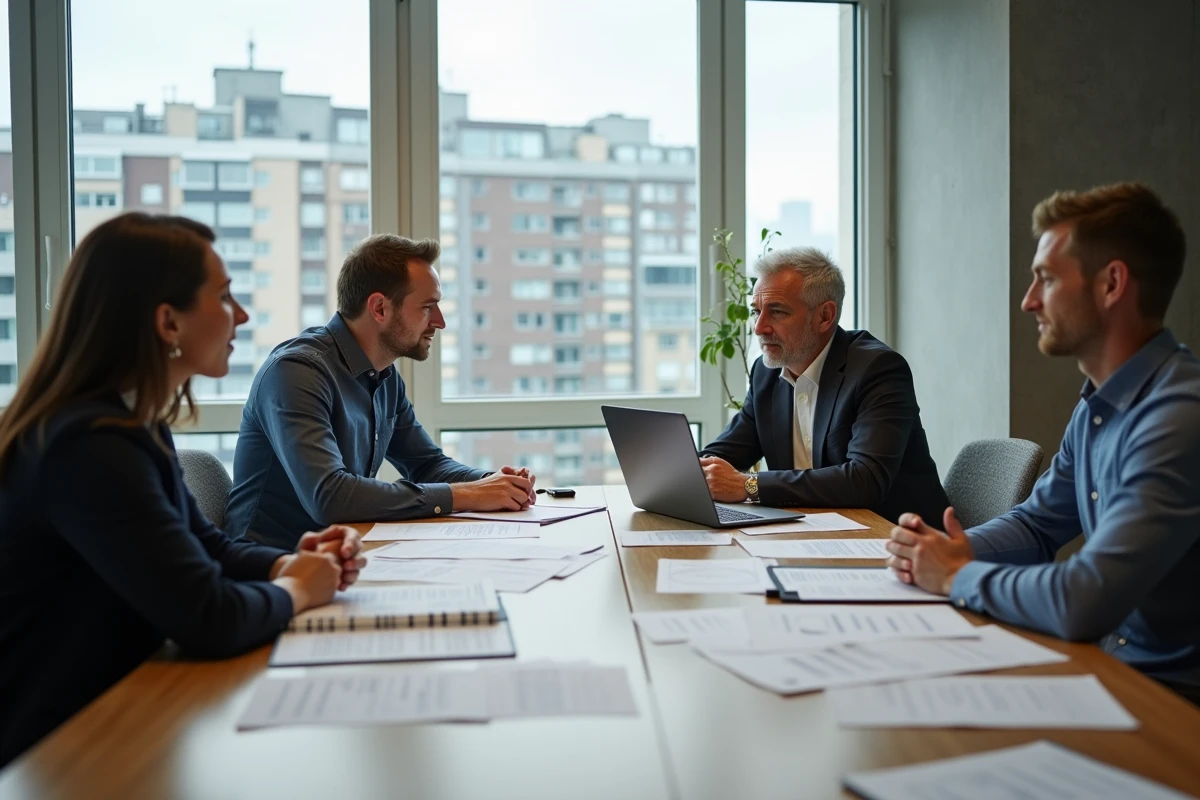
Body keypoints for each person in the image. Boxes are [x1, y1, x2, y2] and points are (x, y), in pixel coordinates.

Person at [0, 213, 365, 768]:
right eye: (223, 296)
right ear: (168, 322)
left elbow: (205, 546)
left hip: (125, 710)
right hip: (61, 748)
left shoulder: (133, 425)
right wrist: (298, 590)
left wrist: (286, 563)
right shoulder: (87, 447)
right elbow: (209, 618)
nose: (241, 315)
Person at [886, 182, 1200, 701]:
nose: (1029, 301)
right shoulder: (1098, 405)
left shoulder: (1178, 416)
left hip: (1173, 702)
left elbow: (1084, 600)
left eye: (1047, 279)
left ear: (1111, 284)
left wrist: (956, 576)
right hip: (1112, 669)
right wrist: (946, 551)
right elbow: (1036, 526)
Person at [225, 234, 536, 550]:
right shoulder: (296, 372)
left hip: (339, 555)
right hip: (270, 563)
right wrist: (467, 495)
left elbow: (427, 465)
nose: (440, 322)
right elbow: (330, 497)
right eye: (427, 307)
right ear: (379, 308)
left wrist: (496, 483)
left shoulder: (384, 376)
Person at [699, 246, 948, 524]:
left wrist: (749, 486)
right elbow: (726, 453)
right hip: (811, 531)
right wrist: (684, 472)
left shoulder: (878, 369)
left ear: (825, 316)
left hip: (898, 536)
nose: (759, 327)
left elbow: (865, 479)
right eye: (756, 312)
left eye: (777, 312)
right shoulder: (766, 374)